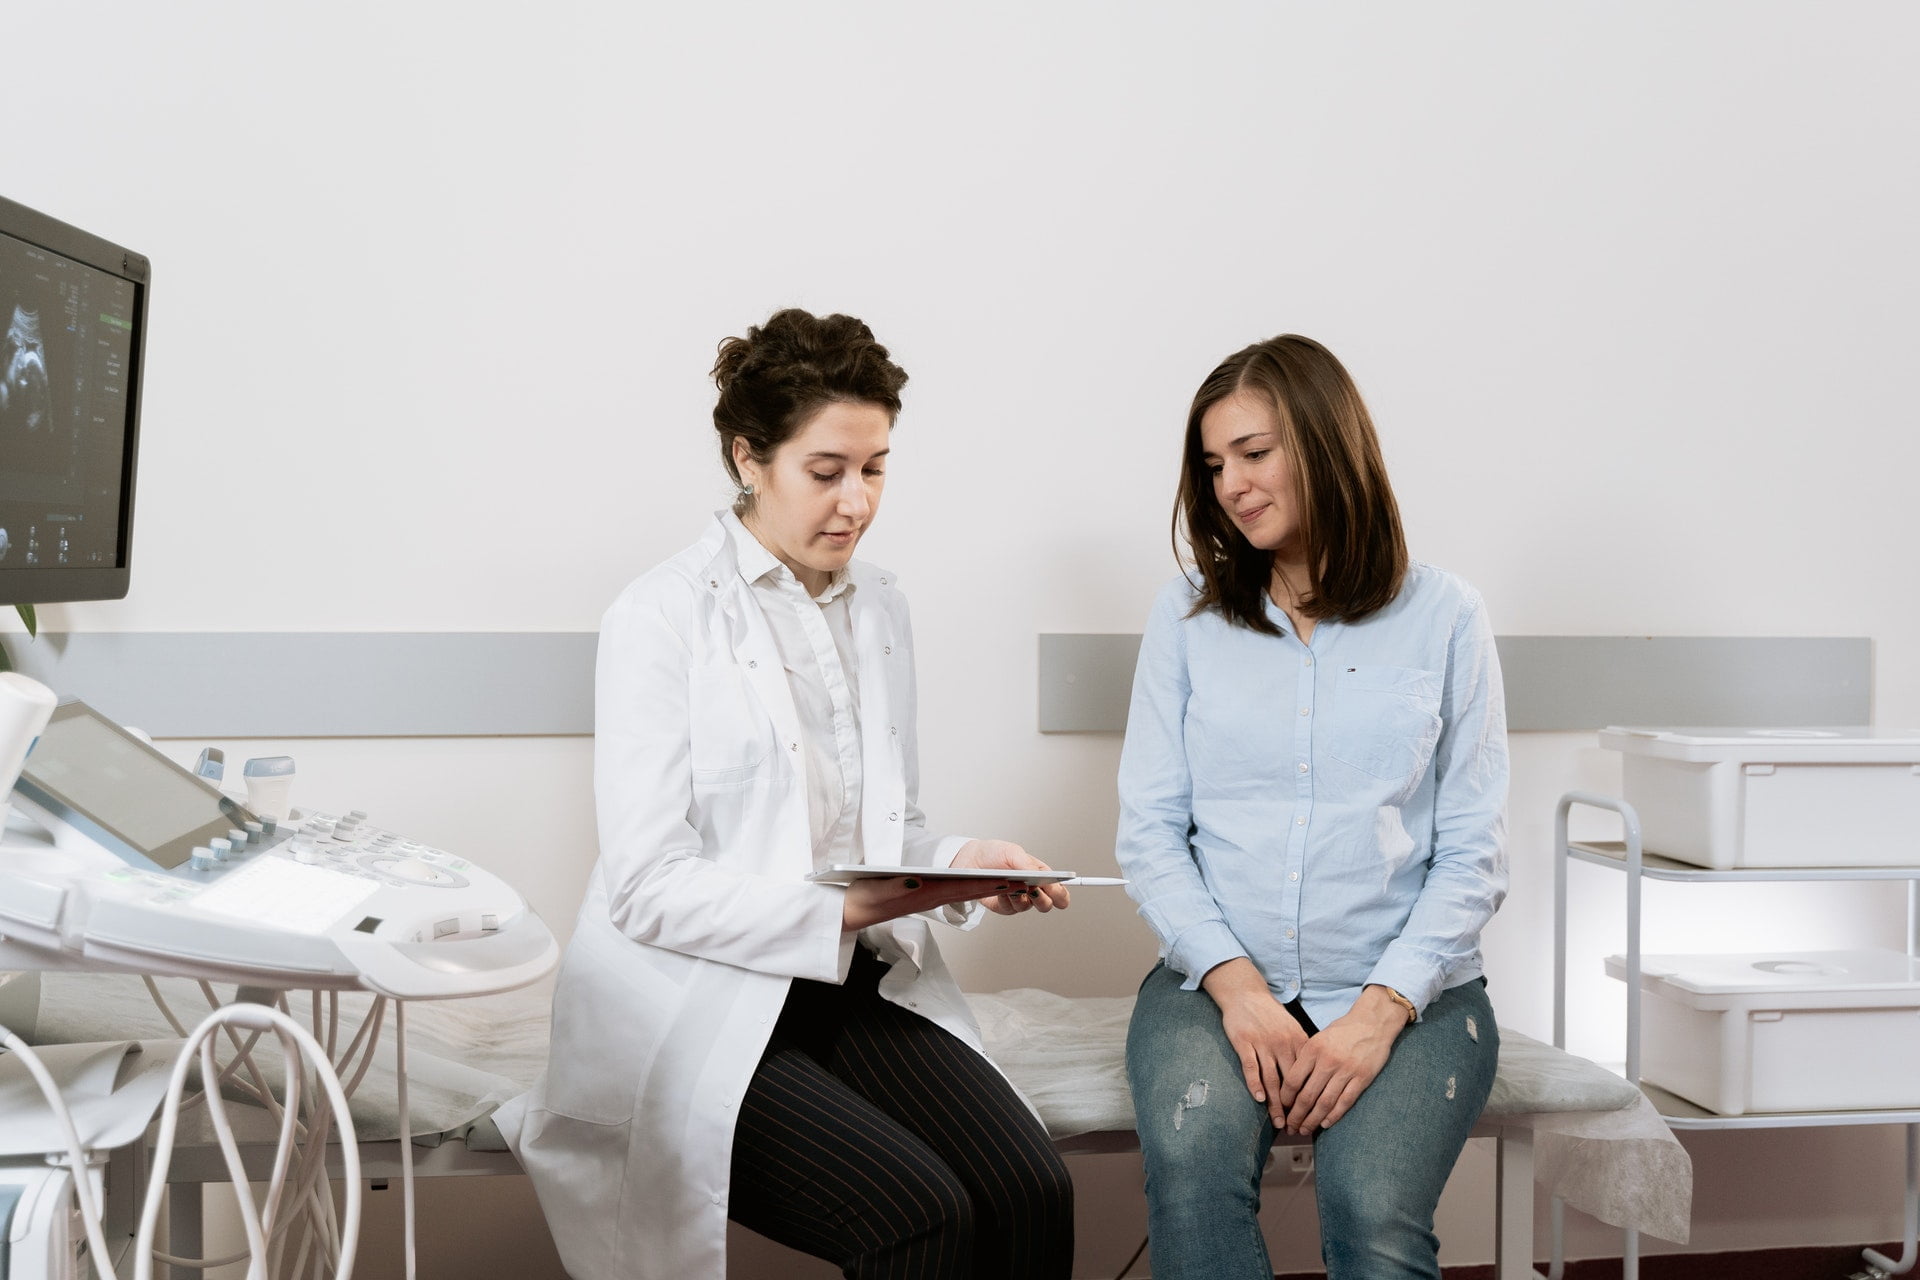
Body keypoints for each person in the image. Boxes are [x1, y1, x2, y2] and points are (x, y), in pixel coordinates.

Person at [501, 308, 1074, 1280]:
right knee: (918, 1213)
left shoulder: (880, 604)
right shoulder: (662, 615)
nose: (856, 500)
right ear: (748, 458)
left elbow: (891, 828)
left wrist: (960, 865)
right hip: (697, 998)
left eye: (877, 466)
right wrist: (839, 904)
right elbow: (646, 884)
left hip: (848, 981)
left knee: (1033, 1187)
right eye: (827, 470)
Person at [1116, 334, 1508, 1279]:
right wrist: (1240, 992)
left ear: (1329, 444)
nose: (1232, 485)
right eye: (1214, 466)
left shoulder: (1447, 617)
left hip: (1408, 992)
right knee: (1193, 1169)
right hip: (1213, 985)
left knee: (1371, 1211)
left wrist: (1378, 1013)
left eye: (1255, 453)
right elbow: (1151, 836)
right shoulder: (1185, 619)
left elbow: (1473, 854)